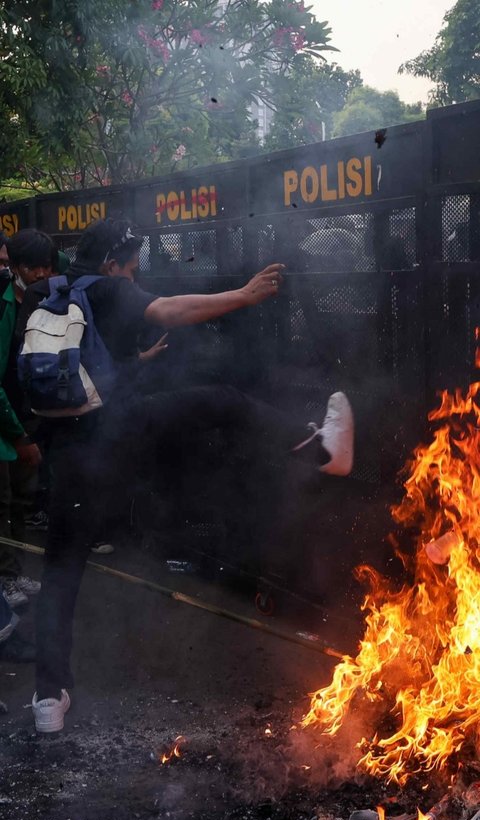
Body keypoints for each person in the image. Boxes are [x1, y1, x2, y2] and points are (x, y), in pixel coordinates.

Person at [17, 218, 354, 733]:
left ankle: (48, 699)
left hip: (73, 459)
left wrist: (135, 363)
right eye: (132, 266)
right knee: (219, 401)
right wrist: (242, 295)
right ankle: (322, 448)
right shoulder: (108, 287)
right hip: (120, 435)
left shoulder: (50, 295)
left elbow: (83, 377)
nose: (135, 276)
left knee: (61, 575)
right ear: (112, 262)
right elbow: (171, 310)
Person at [0, 231, 43, 608]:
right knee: (3, 501)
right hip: (4, 422)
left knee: (20, 501)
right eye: (34, 267)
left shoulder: (34, 300)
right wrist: (16, 434)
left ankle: (14, 572)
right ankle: (4, 581)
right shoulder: (2, 305)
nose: (41, 274)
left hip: (21, 416)